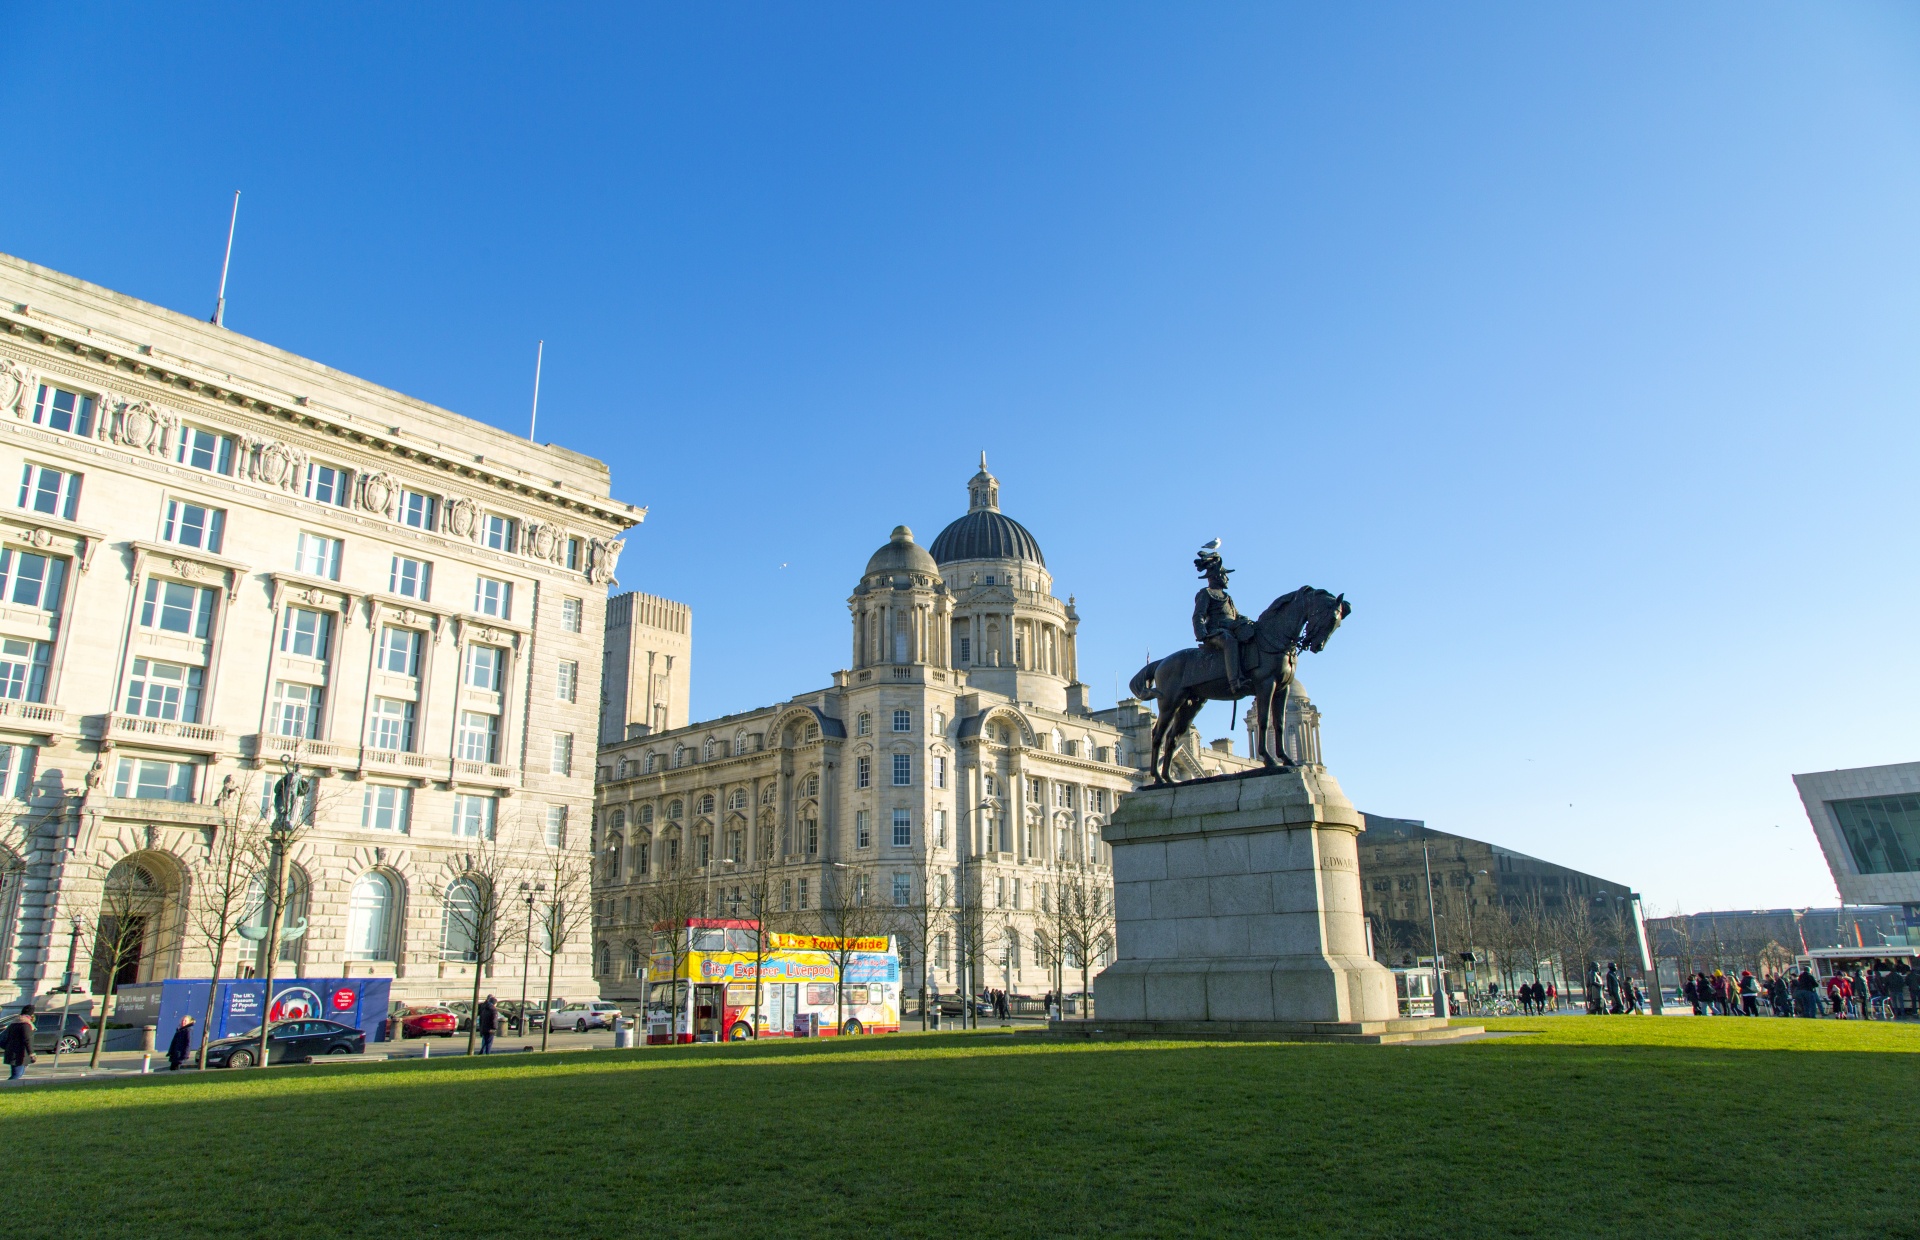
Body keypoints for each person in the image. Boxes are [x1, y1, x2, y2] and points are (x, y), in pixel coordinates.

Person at [1191, 543, 1259, 696]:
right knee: (1230, 642)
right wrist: (1202, 633)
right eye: (1225, 575)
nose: (1227, 578)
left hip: (1232, 628)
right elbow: (1198, 615)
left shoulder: (1228, 597)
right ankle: (1235, 682)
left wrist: (1248, 622)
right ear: (1216, 576)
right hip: (1216, 632)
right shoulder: (1206, 593)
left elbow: (1235, 615)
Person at [3, 1006, 33, 1081]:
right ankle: (6, 1088)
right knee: (17, 1075)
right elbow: (27, 1040)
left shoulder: (13, 1024)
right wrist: (31, 1053)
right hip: (19, 1054)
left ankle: (8, 1088)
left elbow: (3, 1038)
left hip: (12, 1052)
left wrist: (7, 1047)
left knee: (18, 1073)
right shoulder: (25, 1025)